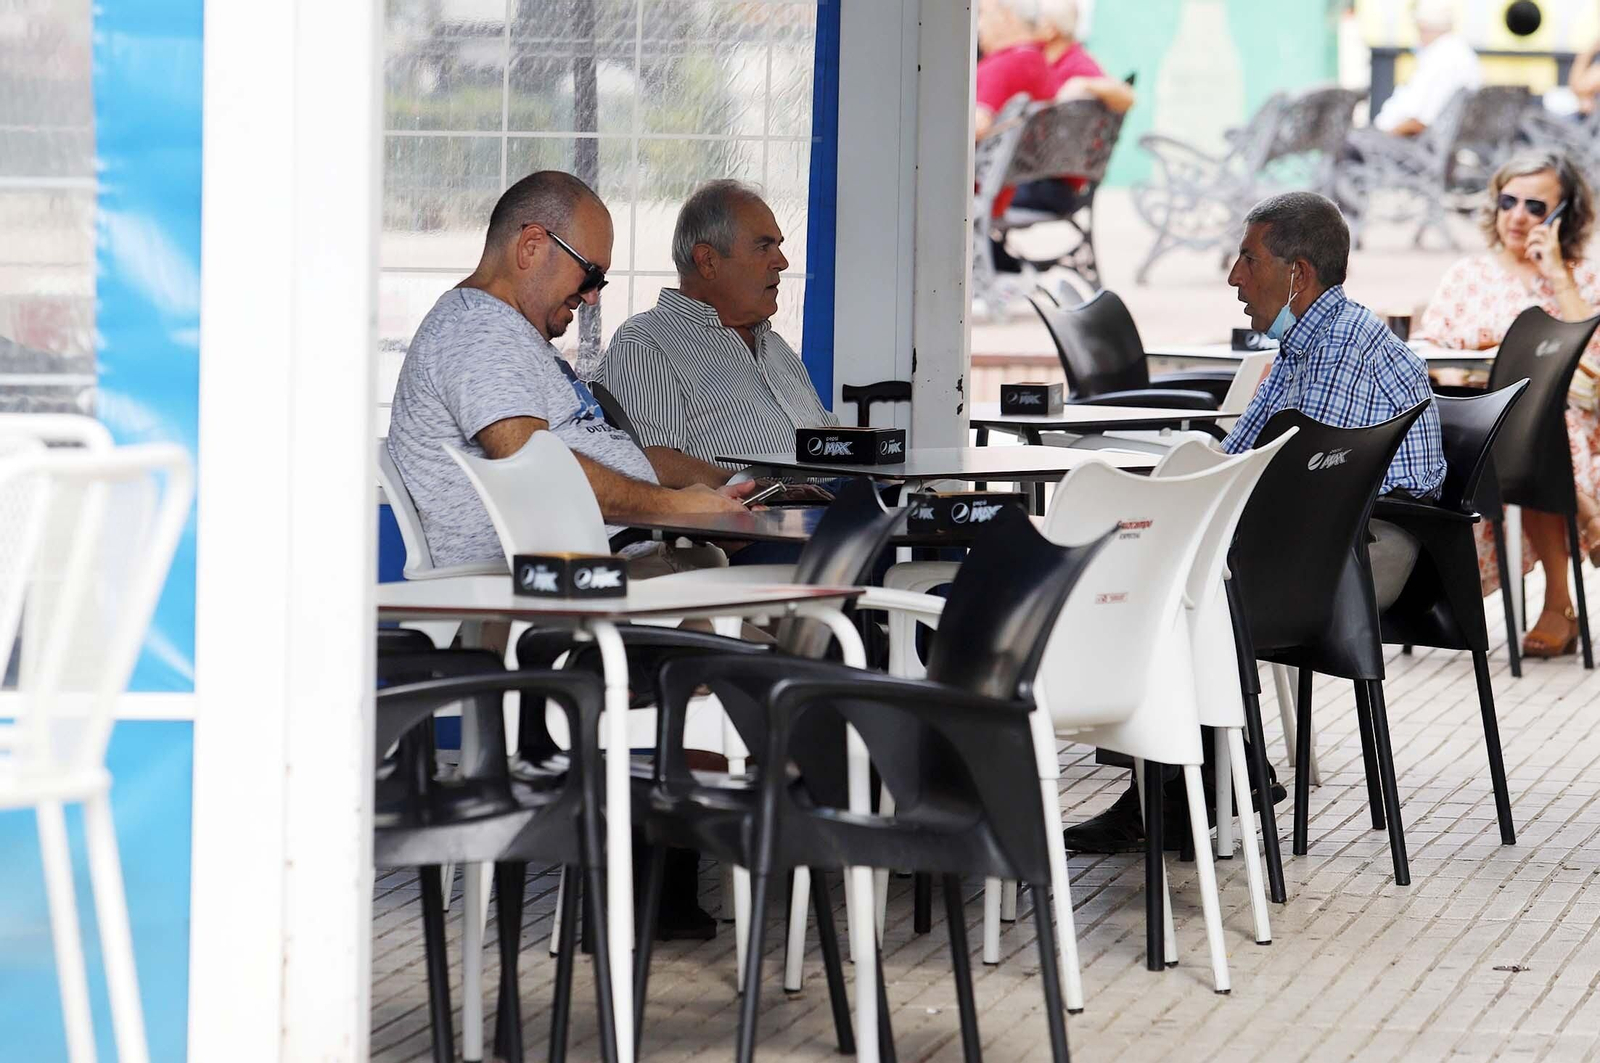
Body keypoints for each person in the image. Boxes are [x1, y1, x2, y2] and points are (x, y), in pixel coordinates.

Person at [1063, 191, 1446, 854]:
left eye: (1247, 259)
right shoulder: (1305, 343)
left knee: (1169, 576)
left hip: (1368, 549)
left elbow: (1290, 487)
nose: (1234, 277)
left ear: (1297, 274)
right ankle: (1199, 775)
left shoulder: (1338, 349)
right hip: (1319, 533)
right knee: (1156, 563)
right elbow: (1249, 460)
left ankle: (1192, 778)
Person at [385, 169, 753, 577]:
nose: (593, 296)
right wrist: (678, 507)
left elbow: (585, 455)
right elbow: (533, 469)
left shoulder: (512, 335)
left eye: (602, 281)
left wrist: (707, 500)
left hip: (617, 575)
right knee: (804, 623)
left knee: (802, 623)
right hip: (560, 591)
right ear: (531, 246)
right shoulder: (478, 331)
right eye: (590, 273)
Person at [1415, 150, 1600, 658]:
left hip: (1560, 421)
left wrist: (1557, 276)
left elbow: (1597, 357)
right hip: (1476, 418)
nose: (1518, 216)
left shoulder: (1579, 276)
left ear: (1565, 216)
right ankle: (1586, 522)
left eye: (1536, 207)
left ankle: (1560, 605)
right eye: (1508, 201)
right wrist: (1462, 368)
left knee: (1535, 419)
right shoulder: (1467, 275)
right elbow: (1430, 348)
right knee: (1515, 424)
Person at [600, 180, 833, 476]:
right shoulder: (647, 342)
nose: (782, 262)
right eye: (764, 247)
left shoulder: (775, 347)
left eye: (779, 246)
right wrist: (754, 491)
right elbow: (651, 463)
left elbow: (831, 440)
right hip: (748, 519)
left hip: (829, 511)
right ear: (708, 262)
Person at [1371, 0, 1480, 137]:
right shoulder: (1463, 52)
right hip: (1437, 142)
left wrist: (1383, 136)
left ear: (1424, 26)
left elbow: (1419, 121)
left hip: (1415, 145)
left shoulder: (1440, 56)